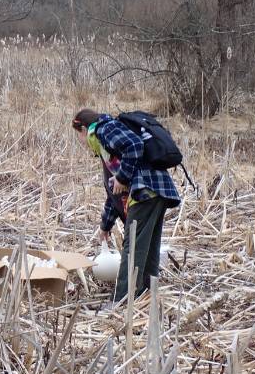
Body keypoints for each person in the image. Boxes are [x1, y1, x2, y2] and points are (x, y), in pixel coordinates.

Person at [72, 109, 180, 302]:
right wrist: (105, 226)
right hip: (157, 192)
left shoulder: (104, 129)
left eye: (78, 135)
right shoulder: (108, 151)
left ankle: (122, 300)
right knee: (148, 246)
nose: (81, 142)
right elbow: (114, 193)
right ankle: (146, 293)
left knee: (133, 246)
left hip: (146, 191)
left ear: (83, 128)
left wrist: (122, 177)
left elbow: (134, 144)